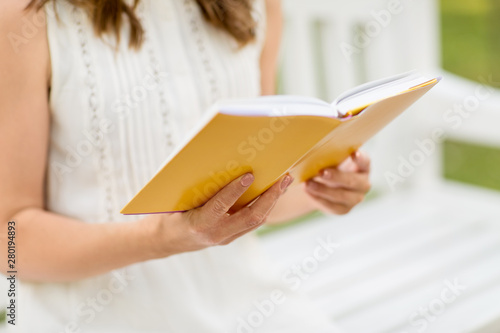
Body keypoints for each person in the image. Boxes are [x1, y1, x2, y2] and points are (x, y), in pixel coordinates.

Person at [0, 0, 371, 332]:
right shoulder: (25, 16)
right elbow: (9, 241)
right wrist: (161, 238)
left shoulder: (255, 5)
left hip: (245, 302)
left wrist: (320, 186)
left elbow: (251, 188)